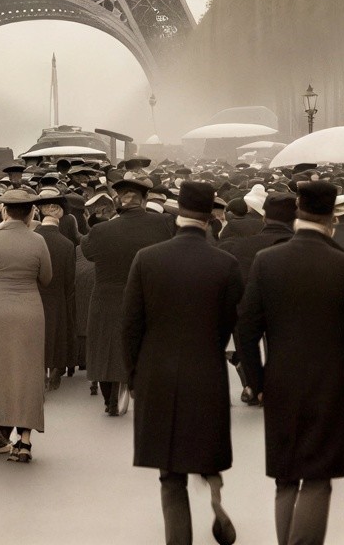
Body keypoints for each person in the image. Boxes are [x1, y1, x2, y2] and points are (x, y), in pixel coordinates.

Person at [234, 179, 344, 545]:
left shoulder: (267, 261)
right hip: (329, 381)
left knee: (285, 479)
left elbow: (246, 329)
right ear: (331, 217)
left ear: (298, 213)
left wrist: (257, 380)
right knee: (317, 477)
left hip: (279, 379)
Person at [124, 179, 244, 545]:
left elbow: (131, 325)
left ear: (177, 215)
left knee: (169, 471)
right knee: (205, 446)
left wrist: (133, 375)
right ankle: (215, 495)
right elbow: (228, 323)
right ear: (210, 217)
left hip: (157, 372)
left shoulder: (147, 259)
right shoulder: (226, 264)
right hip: (205, 370)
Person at [0, 188, 52, 461]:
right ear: (31, 213)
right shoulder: (38, 241)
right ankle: (25, 440)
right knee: (29, 372)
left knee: (0, 371)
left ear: (4, 211)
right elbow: (47, 278)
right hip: (31, 310)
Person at [86, 175, 177, 416]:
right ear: (145, 199)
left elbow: (87, 253)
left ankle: (109, 398)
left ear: (118, 201)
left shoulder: (100, 230)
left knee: (107, 345)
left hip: (107, 295)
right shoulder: (164, 224)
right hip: (149, 293)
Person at [35, 193, 77, 387]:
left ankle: (39, 371)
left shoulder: (33, 239)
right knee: (56, 334)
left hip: (35, 294)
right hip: (57, 295)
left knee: (38, 334)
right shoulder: (67, 245)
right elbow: (70, 279)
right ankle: (54, 373)